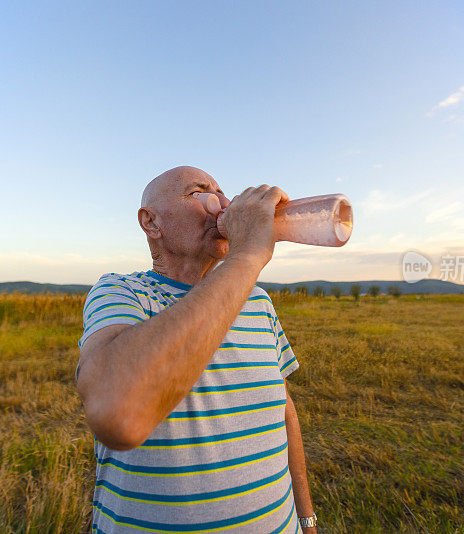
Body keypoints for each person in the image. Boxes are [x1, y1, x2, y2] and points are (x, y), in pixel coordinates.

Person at [75, 166, 318, 533]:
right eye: (199, 192)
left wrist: (306, 520)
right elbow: (116, 411)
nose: (222, 205)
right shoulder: (122, 292)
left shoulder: (256, 299)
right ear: (151, 223)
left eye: (223, 194)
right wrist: (248, 253)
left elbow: (285, 413)